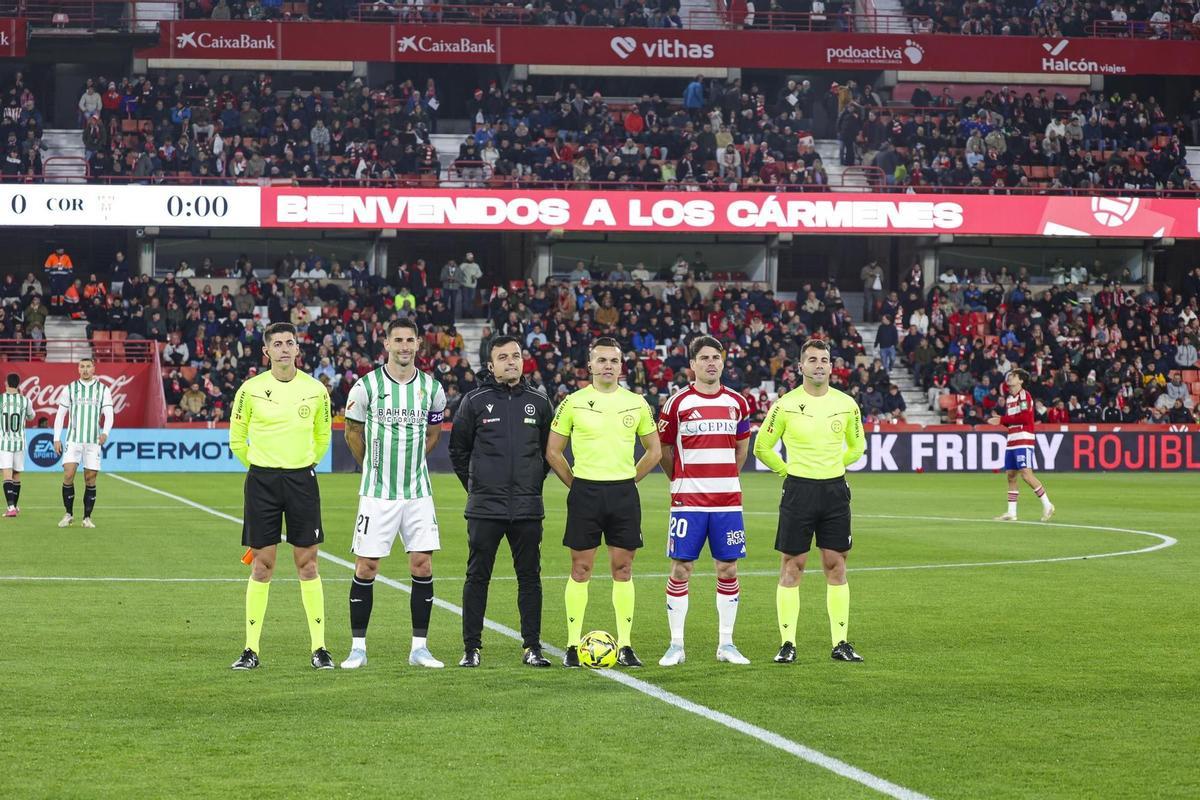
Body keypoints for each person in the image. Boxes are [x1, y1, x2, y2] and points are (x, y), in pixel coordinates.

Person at [340, 318, 448, 670]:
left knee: (422, 564)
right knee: (367, 566)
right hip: (377, 494)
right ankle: (358, 648)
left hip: (418, 492)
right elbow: (352, 433)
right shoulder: (366, 386)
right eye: (397, 340)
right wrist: (372, 466)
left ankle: (420, 647)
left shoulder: (432, 389)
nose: (404, 346)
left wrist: (413, 462)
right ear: (385, 343)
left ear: (418, 345)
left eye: (410, 340)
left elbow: (433, 435)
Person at [546, 336, 661, 668]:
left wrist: (629, 479)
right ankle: (571, 646)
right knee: (580, 568)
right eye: (601, 360)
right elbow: (553, 451)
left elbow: (654, 451)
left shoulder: (636, 403)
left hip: (623, 494)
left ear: (621, 366)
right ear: (590, 365)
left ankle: (625, 645)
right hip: (586, 493)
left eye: (613, 361)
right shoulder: (573, 402)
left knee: (623, 569)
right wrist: (576, 484)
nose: (607, 366)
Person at [753, 338, 867, 664]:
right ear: (800, 366)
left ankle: (841, 642)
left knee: (837, 565)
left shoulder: (846, 404)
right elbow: (763, 446)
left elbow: (858, 446)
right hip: (799, 490)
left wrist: (833, 466)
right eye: (813, 360)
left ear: (832, 366)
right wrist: (786, 471)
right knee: (792, 566)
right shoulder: (785, 404)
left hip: (834, 491)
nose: (819, 365)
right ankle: (787, 643)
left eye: (824, 360)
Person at [228, 322, 334, 671]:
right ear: (267, 351)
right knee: (263, 565)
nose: (285, 348)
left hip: (302, 480)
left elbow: (322, 435)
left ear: (298, 349)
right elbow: (237, 437)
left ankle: (319, 649)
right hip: (262, 482)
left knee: (308, 564)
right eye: (278, 343)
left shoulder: (316, 389)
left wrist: (303, 465)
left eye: (290, 342)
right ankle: (250, 650)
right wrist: (259, 467)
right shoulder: (250, 389)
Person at [449, 335, 555, 668]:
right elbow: (458, 450)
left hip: (526, 507)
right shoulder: (474, 401)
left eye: (516, 355)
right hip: (485, 507)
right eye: (503, 357)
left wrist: (532, 483)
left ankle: (533, 647)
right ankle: (471, 648)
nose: (511, 361)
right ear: (491, 365)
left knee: (530, 578)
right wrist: (477, 486)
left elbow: (548, 452)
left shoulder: (538, 402)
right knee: (477, 577)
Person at [655, 336, 753, 667]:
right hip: (689, 502)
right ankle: (676, 645)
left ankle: (726, 643)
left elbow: (741, 448)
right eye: (704, 358)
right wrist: (681, 480)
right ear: (692, 364)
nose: (711, 362)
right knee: (682, 568)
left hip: (727, 503)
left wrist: (725, 477)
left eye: (716, 357)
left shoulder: (738, 402)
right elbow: (665, 451)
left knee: (728, 568)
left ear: (723, 362)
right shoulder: (676, 404)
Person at [53, 358, 114, 529]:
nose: (85, 370)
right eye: (82, 367)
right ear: (78, 369)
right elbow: (60, 415)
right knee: (68, 474)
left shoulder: (103, 389)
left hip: (93, 441)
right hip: (73, 439)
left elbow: (109, 414)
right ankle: (68, 514)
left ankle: (87, 517)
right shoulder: (70, 388)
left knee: (90, 478)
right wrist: (56, 437)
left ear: (94, 368)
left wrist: (105, 433)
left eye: (88, 366)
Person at [988, 369, 1055, 522]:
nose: (1010, 378)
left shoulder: (1024, 395)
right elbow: (1013, 420)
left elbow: (1025, 418)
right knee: (1011, 476)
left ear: (1021, 381)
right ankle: (1012, 513)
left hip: (1024, 439)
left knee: (1026, 473)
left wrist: (1002, 420)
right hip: (1012, 439)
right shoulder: (1010, 398)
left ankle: (1047, 504)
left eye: (1014, 376)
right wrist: (1002, 420)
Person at [1, 373, 34, 517]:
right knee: (16, 475)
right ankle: (14, 506)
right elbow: (32, 416)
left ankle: (10, 508)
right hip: (20, 442)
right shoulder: (25, 401)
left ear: (6, 383)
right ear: (18, 384)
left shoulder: (1, 399)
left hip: (4, 442)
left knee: (7, 474)